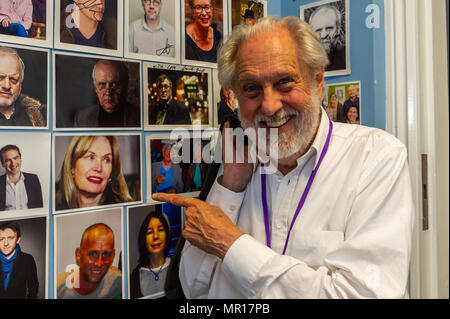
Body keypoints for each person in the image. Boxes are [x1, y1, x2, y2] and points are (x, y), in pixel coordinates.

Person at [154, 16, 414, 298]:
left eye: (285, 81)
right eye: (251, 88)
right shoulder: (236, 162)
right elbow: (193, 287)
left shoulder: (376, 158)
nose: (269, 105)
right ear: (234, 98)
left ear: (317, 80)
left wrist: (229, 243)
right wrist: (230, 187)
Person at [55, 136, 132, 211]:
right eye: (91, 157)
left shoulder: (125, 209)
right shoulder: (56, 207)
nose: (99, 168)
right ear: (72, 166)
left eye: (106, 159)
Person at [57, 223, 122, 299]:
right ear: (78, 254)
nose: (99, 263)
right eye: (93, 254)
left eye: (105, 254)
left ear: (113, 255)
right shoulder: (56, 289)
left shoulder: (118, 282)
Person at [73, 60, 139, 128]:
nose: (108, 93)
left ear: (122, 85)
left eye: (113, 84)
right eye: (102, 85)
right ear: (96, 87)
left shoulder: (138, 116)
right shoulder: (82, 118)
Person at [130, 209, 172, 298]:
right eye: (150, 232)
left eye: (160, 230)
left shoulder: (177, 266)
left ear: (167, 234)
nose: (155, 236)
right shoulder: (135, 276)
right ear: (143, 238)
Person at [0, 47, 46, 127]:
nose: (7, 86)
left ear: (20, 83)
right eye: (0, 77)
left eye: (13, 79)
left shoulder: (42, 114)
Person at [0, 221, 38, 299]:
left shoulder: (27, 260)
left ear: (18, 239)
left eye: (10, 238)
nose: (6, 243)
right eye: (1, 239)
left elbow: (33, 288)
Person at [0, 145, 43, 211]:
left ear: (20, 159)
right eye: (8, 160)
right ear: (2, 163)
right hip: (7, 221)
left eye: (15, 158)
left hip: (30, 221)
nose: (13, 163)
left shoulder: (33, 179)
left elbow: (39, 209)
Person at [308, 4, 345, 72]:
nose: (323, 35)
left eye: (329, 28)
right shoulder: (308, 61)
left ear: (338, 29)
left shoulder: (344, 57)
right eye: (318, 30)